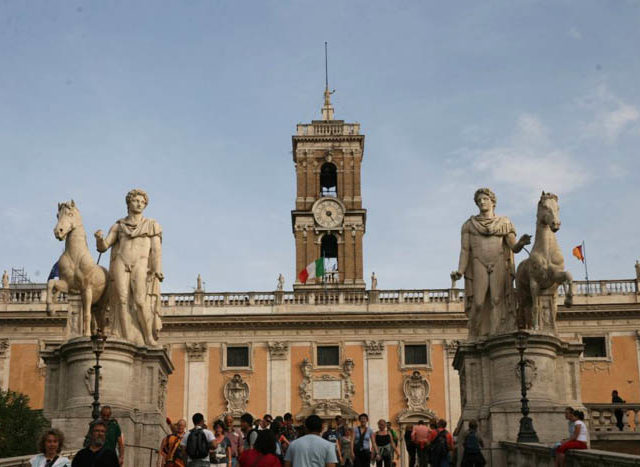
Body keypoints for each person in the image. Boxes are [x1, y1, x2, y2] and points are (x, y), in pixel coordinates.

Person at [451, 188, 531, 336]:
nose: (482, 202)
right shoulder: (469, 225)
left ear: (492, 202)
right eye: (479, 200)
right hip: (478, 263)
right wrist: (460, 271)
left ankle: (495, 335)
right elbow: (465, 250)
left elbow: (513, 246)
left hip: (499, 262)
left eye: (485, 199)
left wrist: (521, 243)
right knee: (479, 302)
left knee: (496, 300)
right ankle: (474, 335)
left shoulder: (504, 223)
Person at [94, 188, 163, 346]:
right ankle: (125, 337)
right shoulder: (119, 225)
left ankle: (148, 337)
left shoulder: (151, 225)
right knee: (121, 300)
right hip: (121, 261)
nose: (139, 204)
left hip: (141, 263)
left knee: (140, 300)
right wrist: (99, 239)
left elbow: (156, 249)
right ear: (129, 203)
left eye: (142, 202)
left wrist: (157, 268)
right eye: (136, 200)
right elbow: (104, 246)